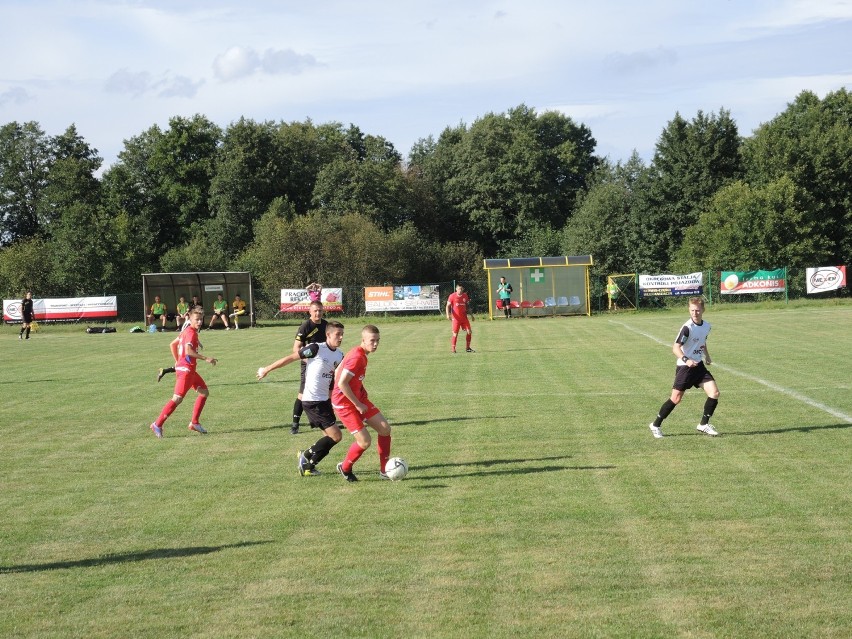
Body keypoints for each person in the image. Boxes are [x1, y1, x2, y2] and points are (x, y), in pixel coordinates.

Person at [257, 321, 345, 476]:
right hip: (312, 400)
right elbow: (291, 358)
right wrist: (267, 369)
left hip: (324, 401)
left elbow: (334, 379)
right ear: (328, 334)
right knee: (336, 435)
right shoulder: (315, 348)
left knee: (329, 438)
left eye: (342, 334)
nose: (341, 337)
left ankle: (308, 463)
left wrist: (333, 400)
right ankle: (306, 458)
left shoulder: (339, 355)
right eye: (337, 334)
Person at [648, 297, 720, 438]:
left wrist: (707, 356)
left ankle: (703, 424)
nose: (695, 313)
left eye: (698, 310)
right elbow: (675, 348)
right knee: (676, 398)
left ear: (703, 310)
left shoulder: (706, 326)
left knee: (714, 393)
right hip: (685, 368)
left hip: (698, 367)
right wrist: (686, 360)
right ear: (689, 310)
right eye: (692, 310)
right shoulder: (687, 328)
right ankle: (655, 425)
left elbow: (702, 341)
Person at [332, 325, 392, 482]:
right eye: (372, 341)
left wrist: (360, 390)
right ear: (363, 340)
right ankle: (345, 468)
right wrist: (358, 404)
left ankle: (385, 471)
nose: (376, 344)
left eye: (378, 340)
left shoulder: (361, 354)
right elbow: (342, 383)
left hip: (357, 398)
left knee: (385, 429)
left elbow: (338, 372)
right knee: (365, 441)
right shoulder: (357, 357)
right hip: (345, 404)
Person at [150, 308, 217, 438]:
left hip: (188, 370)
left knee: (204, 392)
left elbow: (172, 345)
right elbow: (188, 352)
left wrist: (177, 361)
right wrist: (206, 358)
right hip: (186, 371)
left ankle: (194, 423)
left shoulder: (186, 331)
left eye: (201, 319)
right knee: (177, 398)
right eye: (196, 319)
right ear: (190, 320)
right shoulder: (191, 333)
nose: (199, 322)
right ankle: (157, 424)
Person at [291, 300, 328, 434]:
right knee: (303, 394)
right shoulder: (305, 326)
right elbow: (296, 348)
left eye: (320, 310)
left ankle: (325, 421)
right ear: (310, 311)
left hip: (324, 365)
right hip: (308, 365)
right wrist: (309, 361)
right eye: (315, 311)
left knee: (325, 393)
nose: (318, 313)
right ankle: (295, 424)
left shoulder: (326, 325)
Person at [157, 305, 203, 382]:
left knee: (186, 366)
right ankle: (181, 384)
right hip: (183, 346)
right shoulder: (189, 325)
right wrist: (177, 360)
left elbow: (190, 335)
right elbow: (182, 337)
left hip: (185, 344)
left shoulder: (193, 324)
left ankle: (164, 371)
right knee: (184, 366)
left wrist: (198, 342)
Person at [446, 284, 475, 353]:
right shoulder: (452, 296)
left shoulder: (465, 296)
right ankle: (453, 349)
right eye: (459, 289)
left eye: (461, 289)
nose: (460, 290)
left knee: (469, 332)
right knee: (455, 334)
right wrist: (448, 314)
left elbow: (467, 306)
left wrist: (471, 315)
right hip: (456, 319)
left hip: (464, 318)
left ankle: (468, 348)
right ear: (456, 289)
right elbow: (447, 306)